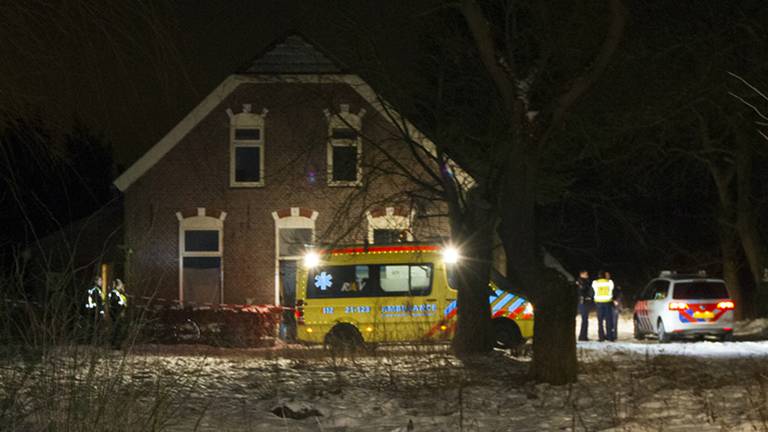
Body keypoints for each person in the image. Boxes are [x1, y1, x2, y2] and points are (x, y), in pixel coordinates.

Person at [592, 270, 615, 341]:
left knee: (600, 321)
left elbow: (593, 291)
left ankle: (601, 337)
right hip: (607, 303)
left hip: (598, 303)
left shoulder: (595, 283)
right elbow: (612, 290)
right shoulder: (610, 283)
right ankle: (610, 336)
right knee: (608, 320)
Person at [107, 278, 128, 348]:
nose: (122, 286)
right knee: (116, 330)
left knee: (118, 329)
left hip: (117, 314)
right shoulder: (114, 293)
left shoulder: (119, 293)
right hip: (116, 315)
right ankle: (115, 345)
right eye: (120, 284)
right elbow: (114, 305)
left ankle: (116, 344)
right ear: (117, 285)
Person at [83, 275, 104, 341]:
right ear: (96, 281)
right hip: (94, 311)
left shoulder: (98, 290)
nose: (102, 282)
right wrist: (97, 309)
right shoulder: (95, 290)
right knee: (93, 326)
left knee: (95, 326)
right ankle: (91, 340)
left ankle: (94, 339)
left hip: (95, 311)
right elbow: (96, 302)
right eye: (100, 281)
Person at [576, 270, 594, 341]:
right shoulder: (580, 282)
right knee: (584, 320)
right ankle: (582, 336)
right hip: (583, 303)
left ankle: (584, 336)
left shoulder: (585, 281)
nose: (587, 275)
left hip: (585, 302)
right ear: (581, 274)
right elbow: (581, 292)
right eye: (586, 274)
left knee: (585, 320)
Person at [608, 272, 622, 341]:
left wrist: (616, 301)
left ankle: (614, 335)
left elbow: (618, 293)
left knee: (614, 320)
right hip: (607, 304)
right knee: (609, 321)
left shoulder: (613, 284)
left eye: (608, 275)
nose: (607, 276)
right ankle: (609, 334)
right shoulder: (605, 284)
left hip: (614, 304)